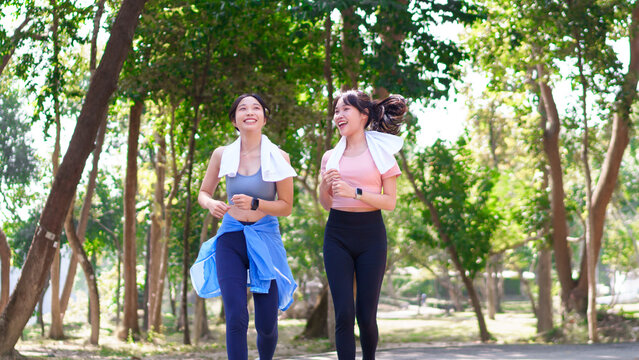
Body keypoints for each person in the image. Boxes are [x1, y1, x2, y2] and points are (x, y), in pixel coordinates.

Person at [190, 93, 297, 360]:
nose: (249, 112)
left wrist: (255, 203)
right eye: (242, 108)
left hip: (265, 237)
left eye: (256, 108)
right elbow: (203, 192)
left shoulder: (280, 157)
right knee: (236, 315)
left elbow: (286, 206)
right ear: (235, 119)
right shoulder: (222, 155)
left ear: (264, 116)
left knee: (266, 323)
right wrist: (210, 203)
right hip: (231, 237)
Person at [319, 89, 407, 360]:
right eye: (336, 111)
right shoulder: (329, 157)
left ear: (364, 115)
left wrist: (354, 192)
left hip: (371, 236)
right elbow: (326, 203)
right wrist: (325, 185)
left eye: (345, 109)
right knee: (344, 313)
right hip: (337, 234)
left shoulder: (382, 154)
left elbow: (390, 202)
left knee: (365, 315)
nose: (339, 115)